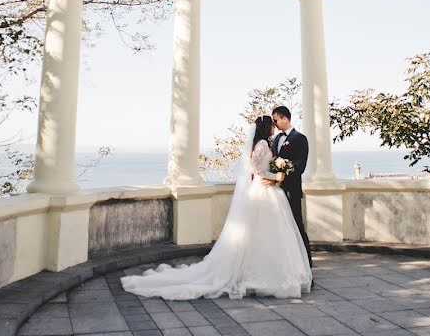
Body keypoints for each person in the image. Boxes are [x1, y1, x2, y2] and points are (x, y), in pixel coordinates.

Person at [120, 115, 312, 300]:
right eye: (272, 124)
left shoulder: (267, 143)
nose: (274, 127)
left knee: (268, 233)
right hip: (264, 190)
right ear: (266, 127)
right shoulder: (262, 145)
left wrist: (279, 171)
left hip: (267, 191)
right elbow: (256, 170)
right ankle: (266, 274)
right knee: (265, 233)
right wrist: (274, 177)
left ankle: (271, 271)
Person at [268, 105, 312, 268]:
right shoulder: (277, 139)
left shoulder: (300, 139)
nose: (274, 124)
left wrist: (284, 172)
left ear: (285, 118)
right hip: (275, 191)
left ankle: (307, 267)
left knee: (297, 228)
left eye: (276, 120)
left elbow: (300, 166)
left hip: (291, 190)